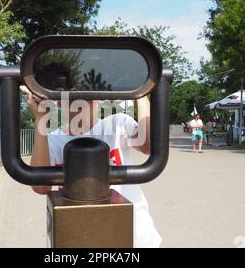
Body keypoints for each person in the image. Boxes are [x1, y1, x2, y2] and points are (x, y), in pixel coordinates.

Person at [21, 84, 162, 248]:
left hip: (135, 236)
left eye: (85, 95)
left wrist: (140, 93)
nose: (78, 103)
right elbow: (41, 187)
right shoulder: (52, 139)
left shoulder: (117, 124)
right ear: (58, 102)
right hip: (79, 236)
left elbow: (147, 146)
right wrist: (40, 119)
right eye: (69, 97)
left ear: (99, 98)